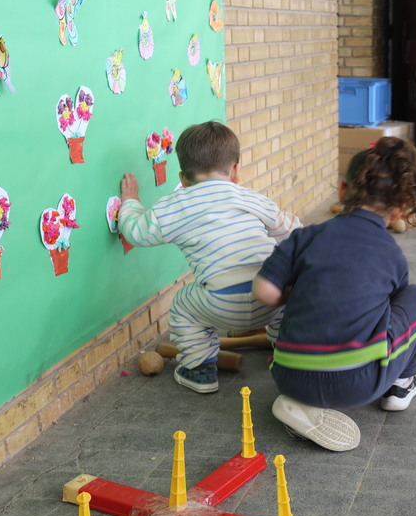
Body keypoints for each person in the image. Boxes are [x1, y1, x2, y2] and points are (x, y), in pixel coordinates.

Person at [254, 137, 416, 452]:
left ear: (342, 191)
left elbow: (264, 291)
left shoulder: (306, 236)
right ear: (398, 209)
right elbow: (390, 309)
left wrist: (298, 289)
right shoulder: (391, 253)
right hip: (360, 384)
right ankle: (401, 385)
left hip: (288, 375)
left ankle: (302, 403)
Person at [118, 121, 301, 394]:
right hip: (271, 297)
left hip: (221, 305)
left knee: (182, 303)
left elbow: (136, 232)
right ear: (236, 171)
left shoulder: (175, 205)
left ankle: (199, 370)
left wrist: (130, 201)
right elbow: (295, 233)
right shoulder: (252, 199)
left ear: (182, 179)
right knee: (289, 305)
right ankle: (287, 358)